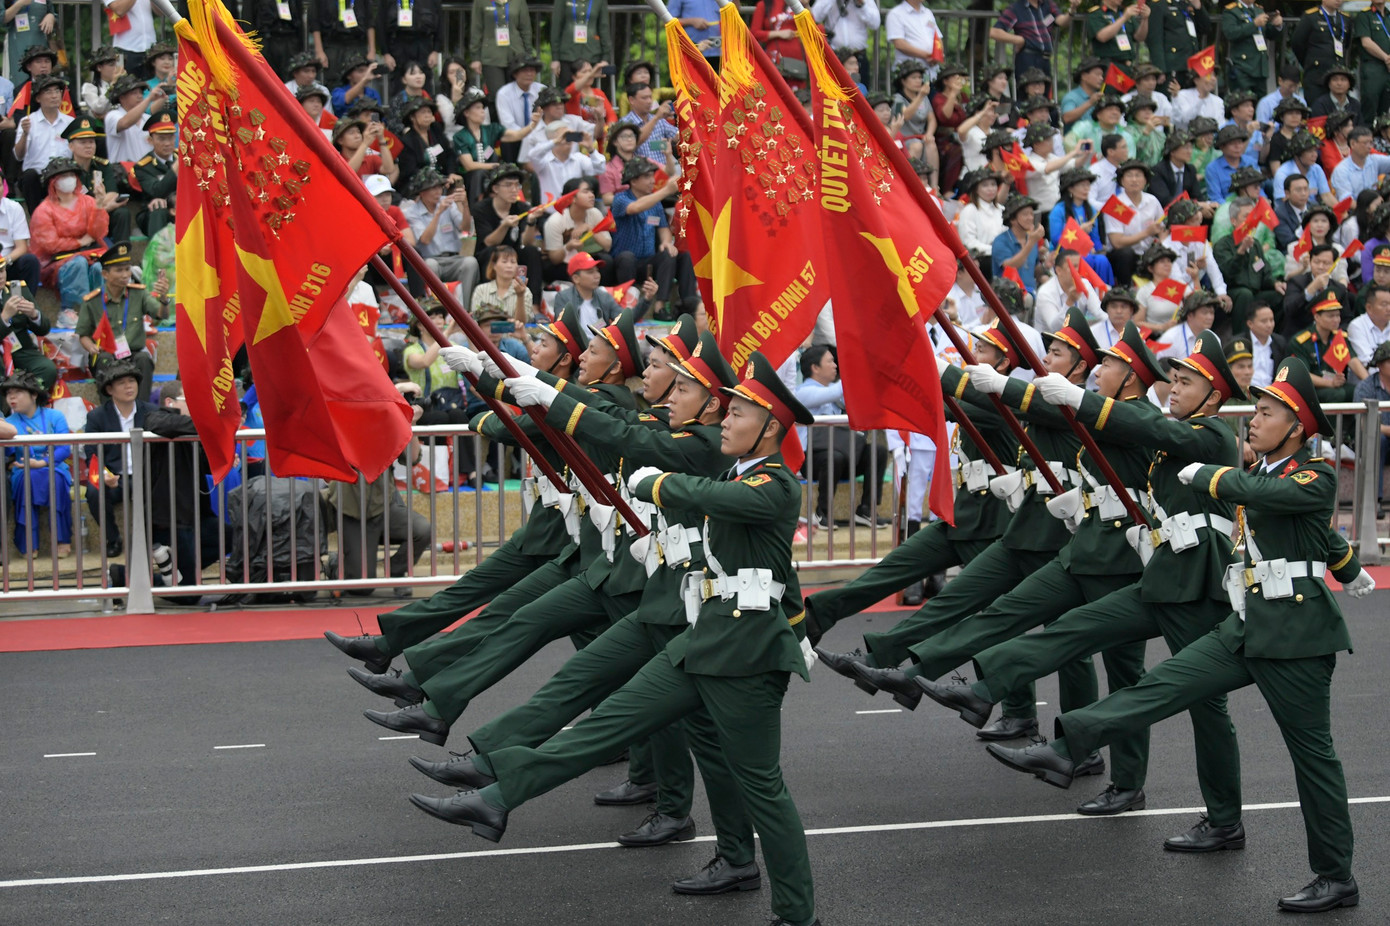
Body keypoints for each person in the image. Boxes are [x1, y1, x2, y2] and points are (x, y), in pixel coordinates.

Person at [408, 350, 822, 926]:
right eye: (725, 409)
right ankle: (496, 799)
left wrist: (662, 486)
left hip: (746, 660)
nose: (725, 418)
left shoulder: (775, 488)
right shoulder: (735, 470)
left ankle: (798, 915)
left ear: (772, 427)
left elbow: (713, 502)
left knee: (764, 791)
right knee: (604, 725)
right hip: (699, 640)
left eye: (739, 412)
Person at [988, 355, 1374, 914]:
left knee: (1312, 759)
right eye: (1257, 410)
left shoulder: (1310, 473)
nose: (1255, 421)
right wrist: (1345, 564)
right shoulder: (1268, 472)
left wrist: (1212, 475)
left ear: (1297, 429)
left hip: (1298, 639)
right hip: (1247, 625)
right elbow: (1310, 530)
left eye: (1267, 414)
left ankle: (1336, 876)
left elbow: (1285, 502)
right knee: (1164, 685)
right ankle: (1065, 747)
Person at [923, 328, 1248, 825]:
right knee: (1075, 628)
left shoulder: (1212, 435)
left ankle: (1221, 820)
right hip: (1159, 575)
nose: (1175, 387)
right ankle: (987, 687)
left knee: (1203, 706)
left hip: (1198, 589)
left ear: (1215, 394)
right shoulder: (1164, 433)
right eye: (1175, 379)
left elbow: (1154, 432)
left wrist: (1073, 397)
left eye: (1186, 381)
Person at [794, 345, 889, 529]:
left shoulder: (836, 391)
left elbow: (860, 399)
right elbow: (833, 393)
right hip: (812, 460)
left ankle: (866, 509)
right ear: (815, 368)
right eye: (830, 361)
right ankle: (823, 512)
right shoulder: (803, 392)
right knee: (833, 456)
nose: (835, 365)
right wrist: (853, 365)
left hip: (844, 455)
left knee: (877, 451)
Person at [76, 242, 169, 403]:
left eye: (127, 269)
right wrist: (90, 347)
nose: (125, 274)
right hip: (107, 353)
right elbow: (83, 334)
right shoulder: (92, 301)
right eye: (119, 270)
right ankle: (110, 413)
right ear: (105, 274)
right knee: (104, 360)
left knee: (144, 360)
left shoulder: (138, 293)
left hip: (132, 353)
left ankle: (141, 410)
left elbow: (161, 314)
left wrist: (164, 299)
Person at [82, 358, 154, 558]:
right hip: (116, 476)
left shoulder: (151, 411)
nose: (129, 386)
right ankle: (113, 538)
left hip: (146, 474)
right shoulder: (97, 417)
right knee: (94, 491)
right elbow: (91, 453)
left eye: (132, 381)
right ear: (110, 389)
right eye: (122, 383)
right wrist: (104, 474)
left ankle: (155, 540)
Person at [3, 369, 71, 556]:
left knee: (55, 480)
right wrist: (12, 464)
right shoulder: (8, 423)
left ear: (34, 395)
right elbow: (7, 455)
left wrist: (43, 463)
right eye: (9, 394)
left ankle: (62, 540)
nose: (12, 397)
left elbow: (65, 449)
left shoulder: (54, 417)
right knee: (28, 480)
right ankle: (28, 543)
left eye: (17, 392)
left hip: (53, 466)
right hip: (23, 469)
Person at [611, 158, 689, 318]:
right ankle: (627, 307)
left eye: (652, 176)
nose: (652, 180)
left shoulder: (656, 204)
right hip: (623, 263)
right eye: (646, 176)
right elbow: (635, 207)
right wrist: (666, 191)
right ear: (633, 180)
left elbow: (663, 229)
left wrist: (667, 242)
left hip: (647, 262)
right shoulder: (620, 198)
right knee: (627, 258)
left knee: (670, 254)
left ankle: (660, 307)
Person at [28, 158, 110, 310]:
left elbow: (98, 232)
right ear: (53, 182)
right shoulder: (44, 210)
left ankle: (105, 309)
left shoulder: (88, 201)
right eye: (63, 177)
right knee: (77, 264)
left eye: (71, 175)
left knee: (100, 268)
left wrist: (99, 205)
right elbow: (50, 244)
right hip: (57, 261)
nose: (69, 179)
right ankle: (72, 310)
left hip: (91, 253)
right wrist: (79, 242)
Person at [472, 162, 546, 304]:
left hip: (514, 254)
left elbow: (527, 241)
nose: (514, 190)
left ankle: (535, 305)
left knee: (532, 252)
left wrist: (531, 221)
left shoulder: (522, 207)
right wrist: (504, 225)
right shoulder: (481, 209)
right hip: (488, 254)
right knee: (493, 253)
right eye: (508, 185)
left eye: (517, 185)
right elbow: (488, 242)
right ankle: (489, 304)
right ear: (495, 188)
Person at [1215, 198, 1286, 334]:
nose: (1251, 221)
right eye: (1246, 217)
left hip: (1255, 292)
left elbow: (1263, 270)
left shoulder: (1256, 244)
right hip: (1234, 292)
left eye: (1253, 216)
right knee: (1244, 294)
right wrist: (1240, 252)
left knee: (1279, 296)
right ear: (1234, 221)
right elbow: (1228, 274)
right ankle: (1241, 339)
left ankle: (1271, 336)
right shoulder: (1223, 245)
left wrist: (1275, 283)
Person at [452, 87, 534, 203]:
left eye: (482, 108)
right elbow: (469, 165)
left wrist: (533, 125)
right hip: (471, 178)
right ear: (466, 113)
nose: (482, 111)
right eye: (478, 108)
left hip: (491, 173)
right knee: (479, 173)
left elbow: (517, 135)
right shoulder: (460, 136)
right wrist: (493, 166)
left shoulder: (492, 129)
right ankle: (476, 205)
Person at [62, 113, 129, 245]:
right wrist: (104, 207)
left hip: (99, 214)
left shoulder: (102, 165)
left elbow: (112, 193)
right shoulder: (66, 171)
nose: (89, 146)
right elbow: (76, 205)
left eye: (91, 141)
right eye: (83, 142)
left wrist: (102, 205)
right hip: (77, 217)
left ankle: (122, 254)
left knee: (122, 213)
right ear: (71, 146)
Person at [13, 74, 72, 209]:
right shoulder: (27, 122)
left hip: (64, 176)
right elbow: (18, 155)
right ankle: (36, 220)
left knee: (83, 185)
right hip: (38, 180)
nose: (54, 96)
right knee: (29, 176)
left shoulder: (70, 122)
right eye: (48, 92)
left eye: (57, 91)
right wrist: (25, 134)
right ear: (38, 98)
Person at [1104, 159, 1163, 285]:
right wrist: (1147, 232)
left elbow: (1163, 230)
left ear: (1145, 180)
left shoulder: (1152, 201)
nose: (1134, 180)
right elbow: (1117, 242)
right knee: (1125, 253)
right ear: (1121, 181)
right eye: (1129, 176)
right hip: (1124, 256)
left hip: (1148, 252)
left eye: (1138, 175)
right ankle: (1126, 289)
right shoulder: (1116, 205)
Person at [543, 176, 612, 279]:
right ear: (573, 198)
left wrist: (590, 229)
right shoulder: (556, 221)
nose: (592, 195)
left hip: (588, 257)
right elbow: (555, 259)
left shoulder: (595, 213)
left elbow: (607, 245)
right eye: (586, 192)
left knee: (607, 262)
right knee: (574, 270)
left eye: (592, 192)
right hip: (563, 262)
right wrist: (568, 246)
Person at [0, 260, 54, 390]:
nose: (0, 276)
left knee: (47, 369)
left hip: (20, 349)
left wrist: (34, 315)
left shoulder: (18, 291)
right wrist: (4, 317)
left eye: (2, 271)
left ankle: (26, 400)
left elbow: (44, 329)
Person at [990, 0, 1074, 80]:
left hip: (1045, 58)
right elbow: (994, 32)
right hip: (1028, 57)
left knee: (1044, 92)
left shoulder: (1047, 4)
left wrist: (1072, 9)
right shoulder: (1016, 8)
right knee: (1028, 91)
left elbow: (1061, 21)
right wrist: (1018, 40)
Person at [1352, 340, 1390, 510]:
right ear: (1380, 365)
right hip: (1373, 438)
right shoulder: (1365, 387)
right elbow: (1363, 424)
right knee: (1378, 440)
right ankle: (1375, 500)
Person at [394, 96, 459, 193]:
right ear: (412, 117)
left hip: (443, 178)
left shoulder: (436, 130)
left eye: (429, 112)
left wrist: (451, 173)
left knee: (458, 185)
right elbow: (410, 171)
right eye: (423, 112)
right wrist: (437, 181)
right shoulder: (407, 140)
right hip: (419, 183)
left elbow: (449, 154)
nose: (427, 115)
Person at [527, 120, 603, 203]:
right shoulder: (544, 161)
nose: (568, 139)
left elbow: (600, 169)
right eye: (565, 135)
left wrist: (591, 149)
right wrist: (555, 142)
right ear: (552, 139)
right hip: (551, 213)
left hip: (575, 211)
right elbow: (532, 155)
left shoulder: (579, 158)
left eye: (569, 135)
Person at [470, 10, 537, 102]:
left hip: (516, 55)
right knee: (497, 96)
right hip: (491, 56)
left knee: (518, 95)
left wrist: (529, 55)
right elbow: (476, 29)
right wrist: (475, 57)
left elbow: (525, 29)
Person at [130, 110, 177, 237]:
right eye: (161, 138)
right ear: (150, 140)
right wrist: (176, 169)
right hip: (153, 213)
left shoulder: (183, 158)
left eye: (171, 137)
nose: (167, 143)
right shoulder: (143, 166)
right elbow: (156, 191)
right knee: (158, 209)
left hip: (181, 207)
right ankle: (158, 255)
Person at [1292, 0, 1353, 97]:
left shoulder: (1345, 19)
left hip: (1338, 76)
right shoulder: (1310, 17)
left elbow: (1346, 44)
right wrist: (1309, 62)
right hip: (1317, 76)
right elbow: (1297, 43)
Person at [813, 0, 881, 80]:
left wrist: (861, 4)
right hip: (835, 56)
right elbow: (815, 17)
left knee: (860, 90)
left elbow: (875, 24)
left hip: (858, 56)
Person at [993, 194, 1046, 292]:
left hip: (1031, 292)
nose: (1030, 218)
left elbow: (1034, 269)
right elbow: (1010, 266)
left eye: (1031, 214)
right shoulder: (1000, 241)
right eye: (1025, 214)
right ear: (1012, 219)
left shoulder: (1031, 239)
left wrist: (1047, 265)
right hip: (1009, 295)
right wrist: (1030, 243)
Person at [470, 244, 534, 325]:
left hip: (513, 336)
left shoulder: (525, 292)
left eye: (513, 262)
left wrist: (520, 296)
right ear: (494, 265)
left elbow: (521, 323)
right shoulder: (481, 290)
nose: (509, 266)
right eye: (504, 261)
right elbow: (476, 320)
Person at [1146, 0, 1208, 82]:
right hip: (1172, 66)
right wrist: (1159, 69)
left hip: (1191, 66)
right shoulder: (1159, 5)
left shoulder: (1186, 4)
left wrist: (1198, 6)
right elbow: (1155, 40)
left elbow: (1205, 28)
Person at [617, 82, 677, 165]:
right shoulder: (625, 122)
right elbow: (636, 141)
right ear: (631, 100)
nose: (649, 101)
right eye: (644, 98)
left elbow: (677, 137)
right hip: (640, 174)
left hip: (664, 174)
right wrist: (656, 118)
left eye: (650, 97)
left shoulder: (659, 120)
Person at [1086, 0, 1148, 78]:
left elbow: (1140, 37)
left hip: (1128, 66)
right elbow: (1102, 36)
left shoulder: (1124, 12)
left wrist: (1145, 19)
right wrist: (1124, 18)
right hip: (1109, 66)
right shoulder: (1097, 13)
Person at [1329, 127, 1390, 203]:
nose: (1369, 147)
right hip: (1353, 211)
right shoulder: (1341, 170)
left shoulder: (1374, 160)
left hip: (1375, 206)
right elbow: (1347, 201)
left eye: (1371, 143)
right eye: (1365, 143)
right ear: (1353, 144)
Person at [332, 114, 399, 182]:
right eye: (351, 133)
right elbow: (347, 173)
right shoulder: (335, 161)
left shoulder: (371, 159)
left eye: (358, 132)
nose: (357, 136)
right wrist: (365, 144)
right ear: (340, 140)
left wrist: (381, 138)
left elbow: (389, 169)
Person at [102, 0, 156, 78]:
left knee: (151, 87)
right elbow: (119, 9)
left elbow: (160, 11)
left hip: (150, 47)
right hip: (125, 48)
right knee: (126, 86)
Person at [885, 0, 942, 73]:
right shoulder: (896, 14)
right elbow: (899, 44)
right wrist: (927, 56)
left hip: (932, 70)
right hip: (909, 71)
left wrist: (937, 55)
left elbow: (937, 37)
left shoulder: (928, 13)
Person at [1355, 0, 1390, 120]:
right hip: (1373, 69)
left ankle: (1384, 138)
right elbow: (1366, 43)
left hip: (1388, 69)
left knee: (1386, 115)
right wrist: (1386, 58)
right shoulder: (1364, 16)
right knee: (1369, 109)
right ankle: (1366, 137)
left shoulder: (1389, 15)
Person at [1348, 284, 1390, 375]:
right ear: (1369, 308)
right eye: (1384, 304)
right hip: (1369, 382)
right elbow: (1368, 363)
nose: (1389, 309)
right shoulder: (1357, 326)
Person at [667, 0, 721, 70]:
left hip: (720, 53)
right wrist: (691, 21)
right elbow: (668, 21)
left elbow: (733, 12)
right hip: (691, 53)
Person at [1246, 301, 1286, 389]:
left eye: (1271, 320)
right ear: (1250, 324)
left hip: (1272, 393)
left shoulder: (1279, 342)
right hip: (1247, 393)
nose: (1269, 325)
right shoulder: (1241, 343)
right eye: (1264, 321)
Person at [79, 46, 123, 120]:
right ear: (99, 67)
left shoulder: (121, 85)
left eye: (116, 64)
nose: (115, 68)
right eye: (111, 65)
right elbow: (98, 108)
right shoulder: (89, 87)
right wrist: (112, 86)